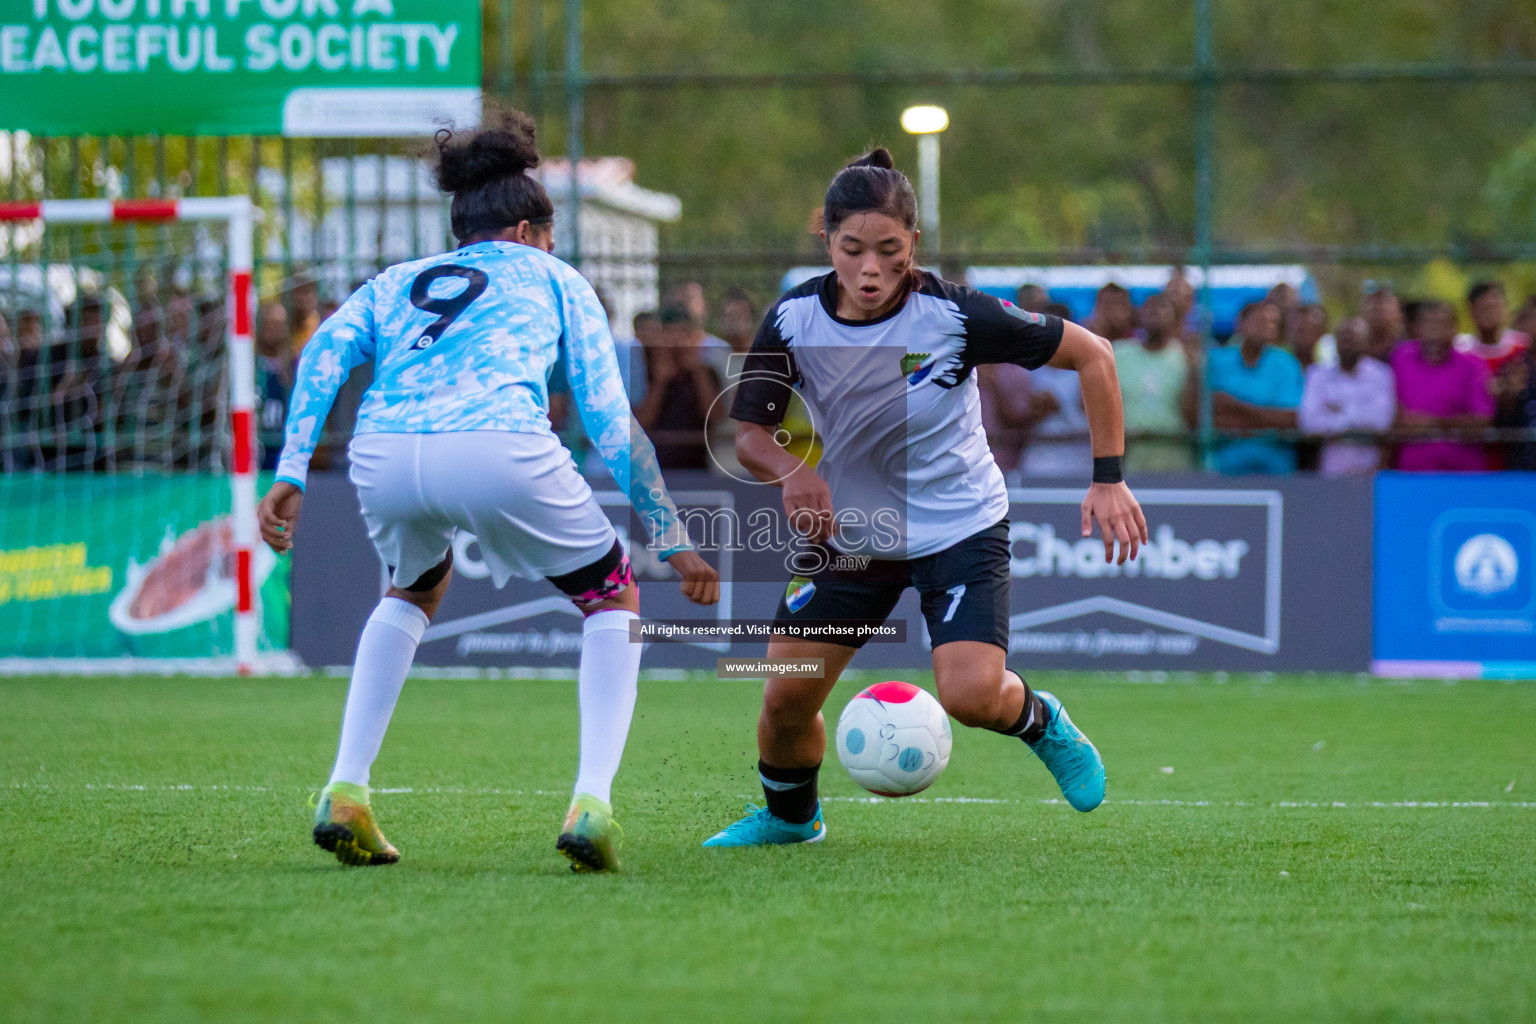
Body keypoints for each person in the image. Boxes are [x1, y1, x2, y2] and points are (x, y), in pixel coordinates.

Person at [256, 109, 719, 873]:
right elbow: (608, 419)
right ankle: (592, 801)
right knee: (613, 598)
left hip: (383, 453)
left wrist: (290, 469)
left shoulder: (396, 281)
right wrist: (669, 532)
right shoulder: (556, 278)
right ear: (533, 231)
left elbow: (323, 358)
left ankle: (346, 787)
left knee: (411, 590)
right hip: (497, 444)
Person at [702, 148, 1145, 848]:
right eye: (852, 250)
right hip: (852, 536)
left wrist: (1109, 476)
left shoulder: (956, 314)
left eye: (888, 249)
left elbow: (1095, 355)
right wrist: (793, 472)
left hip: (958, 529)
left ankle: (1041, 720)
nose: (870, 269)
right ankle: (791, 821)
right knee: (785, 699)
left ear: (914, 243)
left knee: (970, 697)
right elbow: (750, 432)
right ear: (827, 241)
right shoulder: (791, 320)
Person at [1391, 300, 1495, 472]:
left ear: (1454, 328)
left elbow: (1482, 421)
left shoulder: (1473, 365)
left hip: (1462, 473)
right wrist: (1452, 424)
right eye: (1429, 323)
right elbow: (1396, 418)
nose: (1435, 330)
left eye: (1441, 323)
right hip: (1411, 474)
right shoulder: (1401, 359)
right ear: (1417, 327)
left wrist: (1433, 423)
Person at [1208, 300, 1304, 474]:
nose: (1267, 327)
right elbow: (1209, 413)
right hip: (1224, 464)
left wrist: (1236, 407)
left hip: (1275, 465)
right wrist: (1264, 419)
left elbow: (1289, 419)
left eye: (1274, 323)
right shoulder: (1216, 361)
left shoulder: (1287, 364)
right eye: (1260, 321)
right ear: (1240, 323)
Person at [633, 297, 726, 469]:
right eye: (669, 333)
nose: (676, 341)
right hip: (652, 468)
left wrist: (698, 371)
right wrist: (660, 382)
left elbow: (715, 416)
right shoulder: (643, 369)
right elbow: (641, 423)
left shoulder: (706, 372)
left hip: (697, 469)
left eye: (683, 333)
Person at [1297, 317, 1395, 476]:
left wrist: (1338, 410)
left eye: (1354, 339)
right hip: (1328, 471)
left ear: (1366, 342)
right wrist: (1357, 418)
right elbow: (1309, 422)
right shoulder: (1317, 374)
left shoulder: (1381, 374)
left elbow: (1381, 421)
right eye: (1344, 339)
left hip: (1370, 470)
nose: (1348, 344)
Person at [1116, 291, 1197, 472]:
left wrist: (1194, 370)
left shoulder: (1185, 356)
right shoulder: (1119, 353)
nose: (1155, 313)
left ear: (1174, 318)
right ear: (1139, 315)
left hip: (1173, 450)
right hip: (1130, 453)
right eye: (1149, 308)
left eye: (1162, 308)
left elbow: (1193, 411)